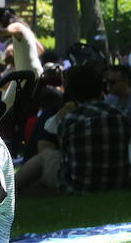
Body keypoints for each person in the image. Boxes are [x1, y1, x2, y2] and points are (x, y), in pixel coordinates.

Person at [15, 62, 131, 194]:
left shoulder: (70, 119)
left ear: (72, 92)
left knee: (45, 156)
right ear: (100, 89)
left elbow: (65, 153)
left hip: (78, 185)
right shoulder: (120, 116)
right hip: (117, 182)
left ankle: (10, 189)